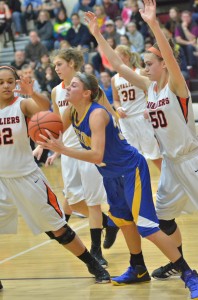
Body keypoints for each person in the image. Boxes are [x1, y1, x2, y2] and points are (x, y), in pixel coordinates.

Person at [37, 69, 198, 299]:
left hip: (129, 170)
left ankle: (189, 274)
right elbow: (53, 130)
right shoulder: (71, 111)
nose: (68, 88)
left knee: (147, 228)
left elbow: (96, 155)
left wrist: (62, 150)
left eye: (73, 85)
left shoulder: (97, 114)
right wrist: (41, 143)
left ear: (86, 93)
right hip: (110, 174)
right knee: (124, 222)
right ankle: (138, 268)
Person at [84, 1, 198, 296]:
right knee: (164, 217)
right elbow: (118, 65)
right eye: (145, 64)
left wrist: (153, 25)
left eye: (150, 63)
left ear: (163, 64)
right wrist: (97, 35)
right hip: (172, 164)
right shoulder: (150, 88)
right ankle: (179, 263)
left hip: (191, 158)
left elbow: (170, 55)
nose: (145, 67)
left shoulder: (176, 87)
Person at [0, 65, 110, 287]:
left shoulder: (21, 104)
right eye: (1, 82)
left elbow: (43, 109)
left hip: (26, 176)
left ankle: (92, 263)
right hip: (1, 179)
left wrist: (32, 93)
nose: (6, 86)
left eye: (10, 81)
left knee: (57, 226)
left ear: (15, 83)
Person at [34, 48, 119, 262]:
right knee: (73, 201)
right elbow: (56, 124)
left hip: (88, 149)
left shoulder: (89, 86)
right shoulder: (56, 91)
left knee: (92, 202)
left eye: (59, 64)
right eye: (55, 66)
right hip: (68, 152)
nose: (56, 69)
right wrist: (45, 146)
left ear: (72, 63)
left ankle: (96, 252)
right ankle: (110, 223)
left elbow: (108, 113)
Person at [111, 45, 161, 170]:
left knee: (154, 154)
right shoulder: (114, 79)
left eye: (117, 56)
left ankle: (168, 181)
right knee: (133, 155)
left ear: (126, 56)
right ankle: (139, 185)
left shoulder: (140, 72)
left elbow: (153, 92)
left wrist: (149, 107)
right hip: (126, 121)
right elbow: (116, 100)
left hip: (142, 117)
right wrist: (118, 108)